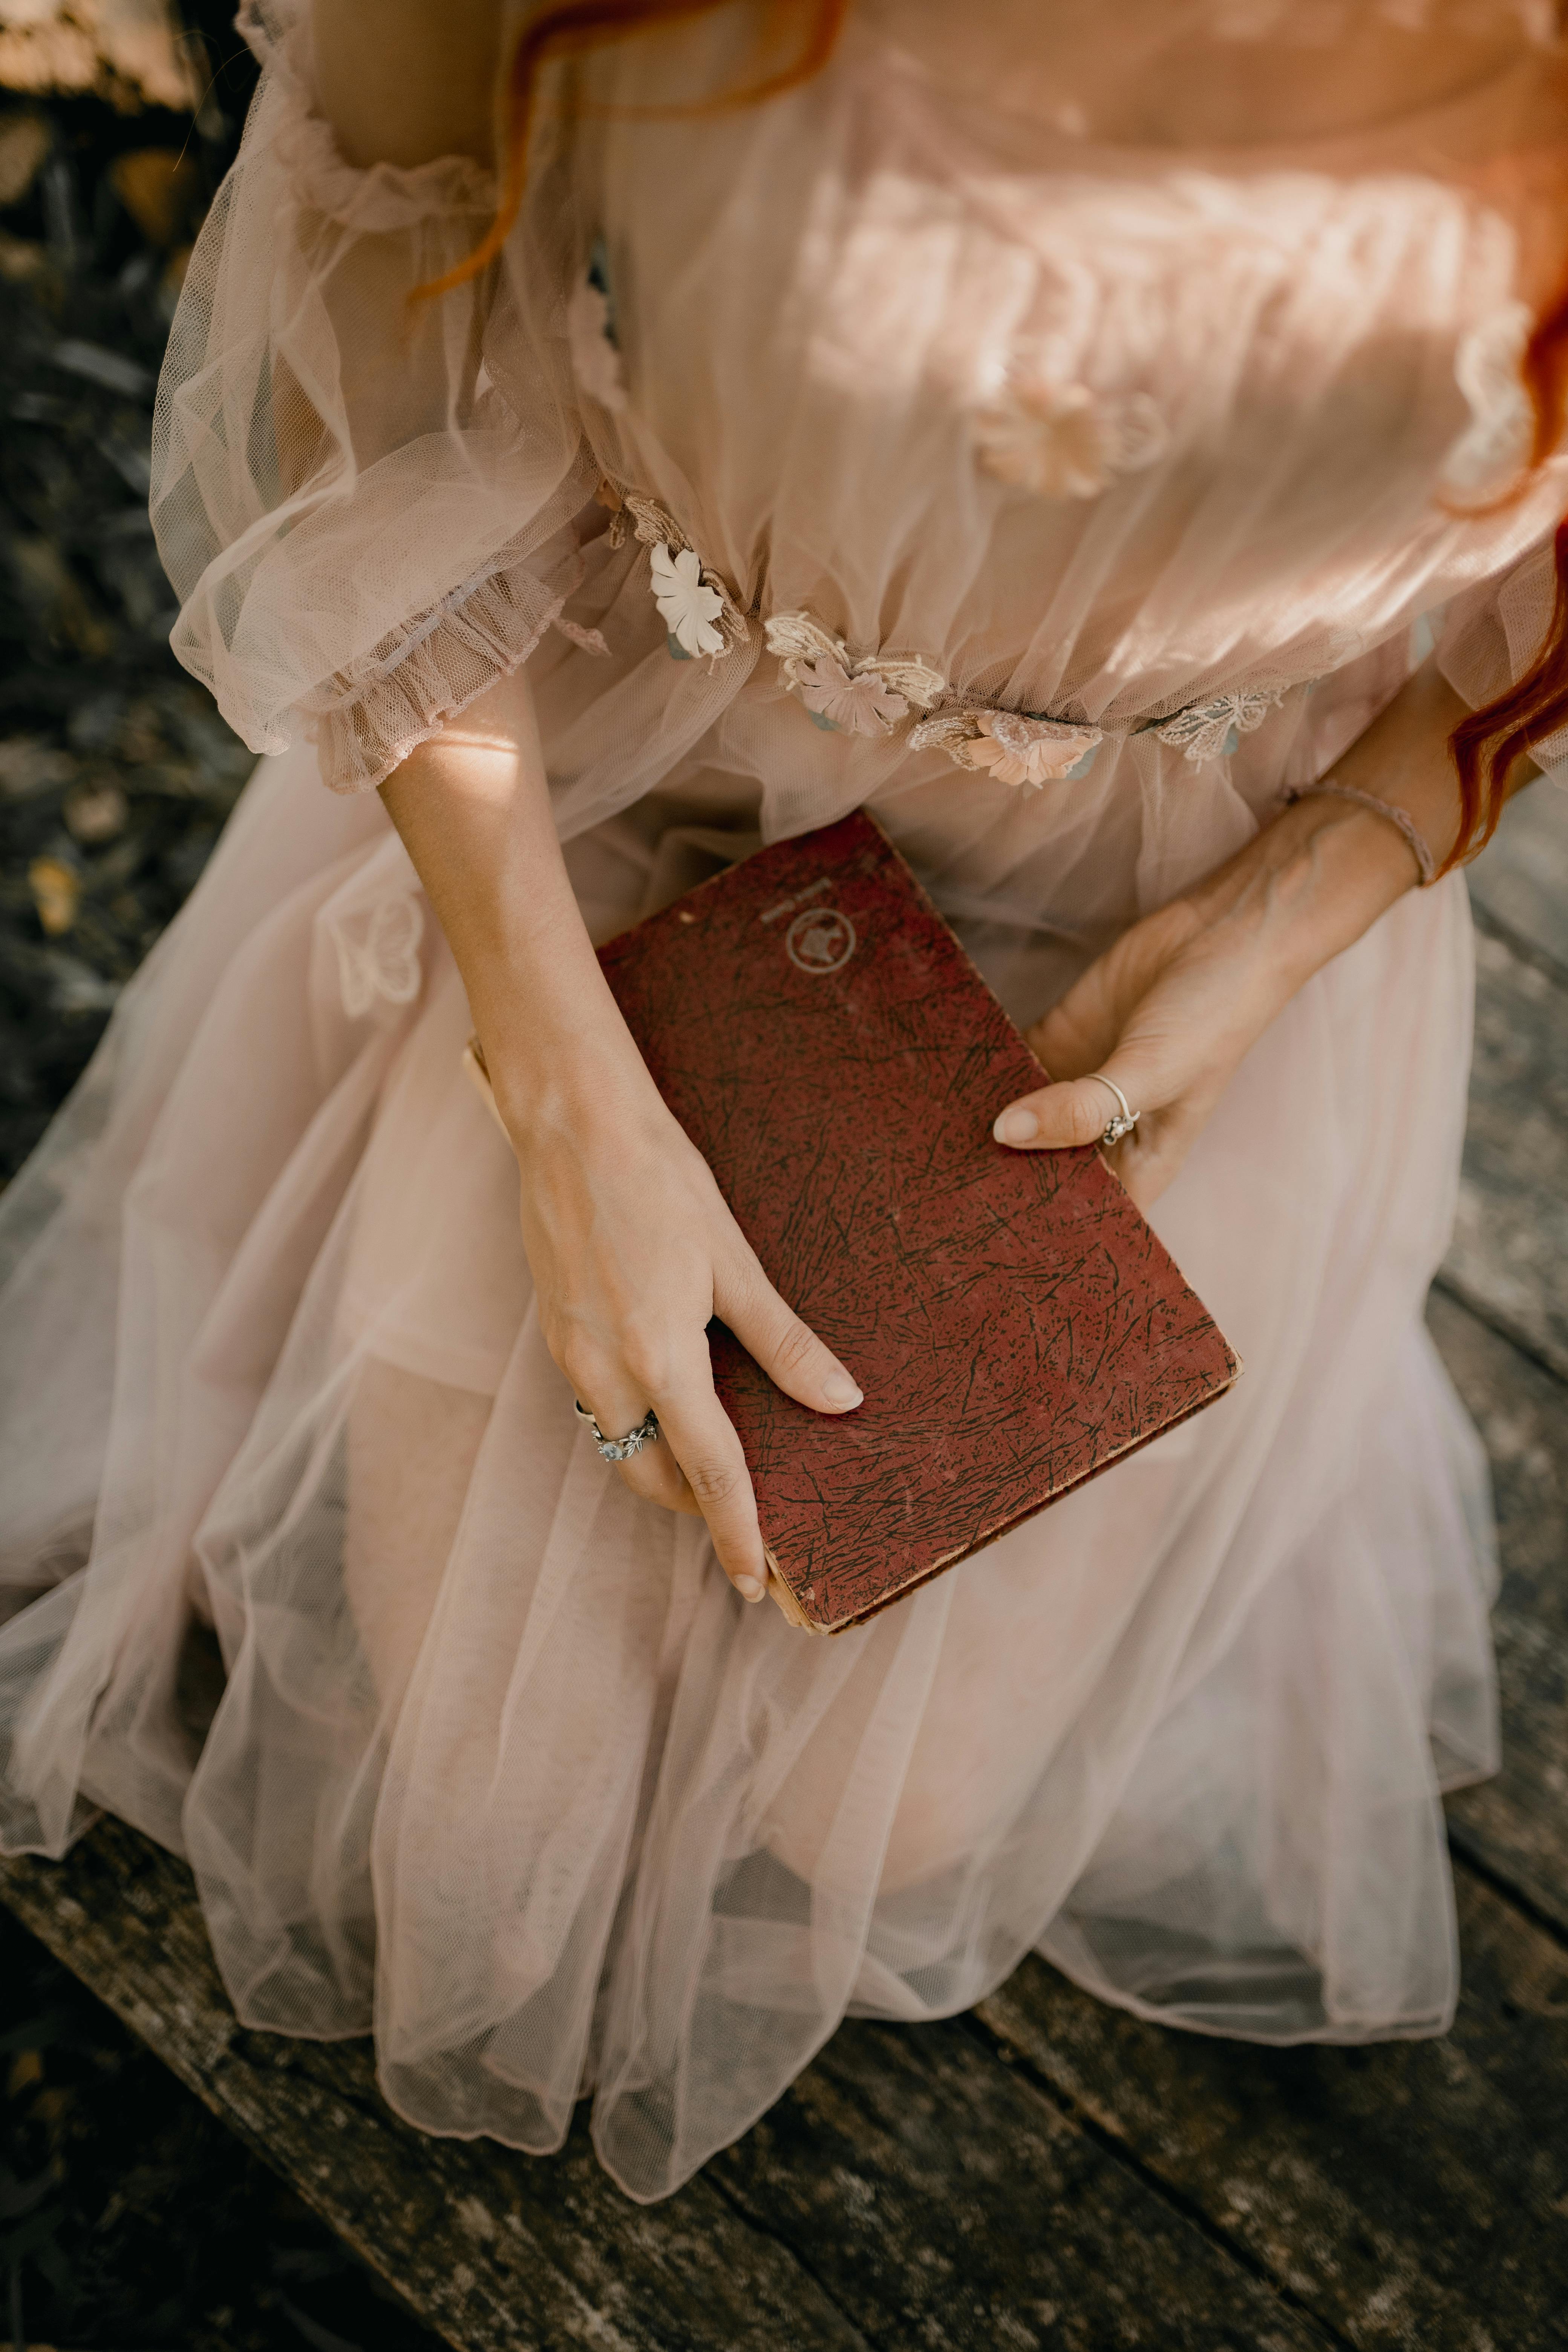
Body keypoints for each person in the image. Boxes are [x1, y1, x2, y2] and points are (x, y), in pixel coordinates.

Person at [0, 0, 1563, 2203]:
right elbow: (354, 344)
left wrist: (1310, 895)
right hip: (621, 799)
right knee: (478, 1836)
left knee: (889, 1822)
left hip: (1176, 895)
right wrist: (566, 1103)